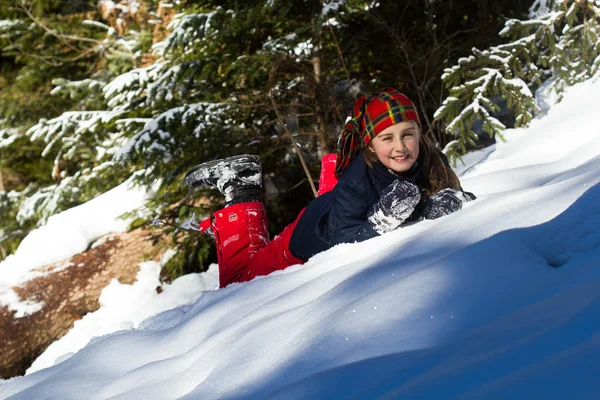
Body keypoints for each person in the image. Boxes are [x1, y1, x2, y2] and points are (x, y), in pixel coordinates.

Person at [185, 88, 474, 288]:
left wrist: (439, 206)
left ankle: (344, 150)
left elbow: (454, 197)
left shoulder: (428, 157)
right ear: (370, 144)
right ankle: (241, 187)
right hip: (306, 238)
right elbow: (342, 238)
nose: (401, 147)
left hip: (337, 204)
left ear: (419, 133)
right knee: (239, 282)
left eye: (407, 135)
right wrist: (381, 221)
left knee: (342, 196)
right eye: (387, 138)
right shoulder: (357, 181)